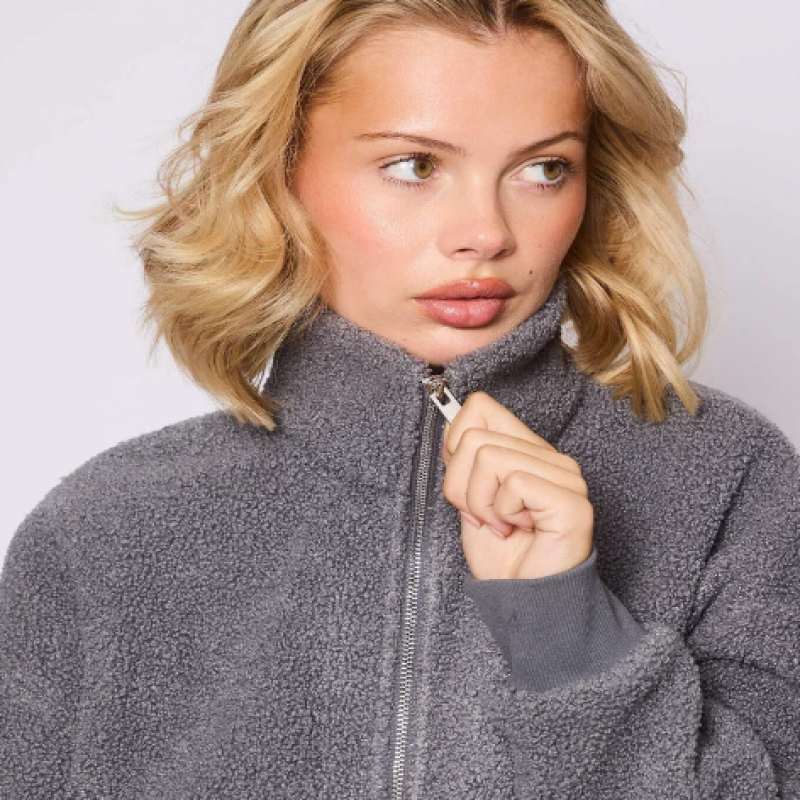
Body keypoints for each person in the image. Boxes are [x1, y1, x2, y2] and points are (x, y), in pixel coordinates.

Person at [1, 0, 798, 797]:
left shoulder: (729, 481)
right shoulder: (105, 532)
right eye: (415, 165)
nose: (486, 233)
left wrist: (568, 634)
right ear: (279, 172)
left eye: (544, 169)